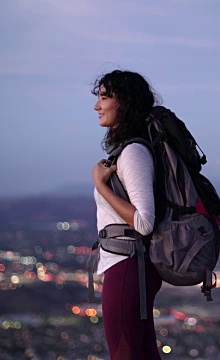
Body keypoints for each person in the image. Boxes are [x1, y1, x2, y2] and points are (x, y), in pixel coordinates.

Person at [90, 70, 163, 359]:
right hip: (130, 267)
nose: (97, 106)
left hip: (127, 268)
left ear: (125, 103)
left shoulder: (133, 153)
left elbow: (144, 222)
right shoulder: (128, 150)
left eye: (105, 97)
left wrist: (99, 183)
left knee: (125, 354)